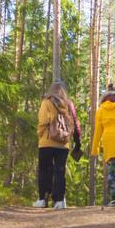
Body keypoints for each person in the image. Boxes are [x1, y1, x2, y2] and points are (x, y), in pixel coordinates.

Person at [35, 81, 81, 209]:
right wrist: (77, 142)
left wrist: (39, 134)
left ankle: (43, 199)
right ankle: (59, 200)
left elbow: (43, 121)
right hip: (63, 143)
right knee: (60, 171)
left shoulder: (46, 102)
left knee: (45, 170)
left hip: (46, 142)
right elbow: (76, 124)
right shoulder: (69, 104)